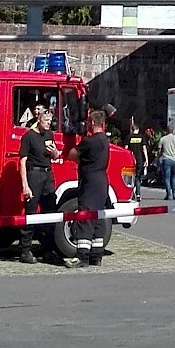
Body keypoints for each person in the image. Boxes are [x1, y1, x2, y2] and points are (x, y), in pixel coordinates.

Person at [18, 106, 58, 264]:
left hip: (48, 174)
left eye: (50, 121)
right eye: (46, 120)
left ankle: (48, 250)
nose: (48, 123)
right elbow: (22, 162)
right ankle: (25, 251)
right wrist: (25, 185)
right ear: (38, 120)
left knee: (50, 212)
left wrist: (54, 151)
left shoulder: (49, 134)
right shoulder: (29, 137)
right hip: (34, 174)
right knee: (31, 212)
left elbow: (55, 156)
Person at [74, 110, 112, 267]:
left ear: (91, 123)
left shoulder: (89, 142)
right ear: (102, 124)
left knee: (85, 217)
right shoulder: (105, 141)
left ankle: (82, 257)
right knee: (97, 218)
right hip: (102, 182)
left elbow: (72, 154)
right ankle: (96, 256)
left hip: (89, 182)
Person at [159, 122, 175, 204]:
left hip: (166, 160)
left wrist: (157, 158)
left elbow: (159, 151)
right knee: (174, 177)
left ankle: (169, 194)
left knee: (167, 178)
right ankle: (174, 193)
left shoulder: (162, 139)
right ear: (173, 131)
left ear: (166, 130)